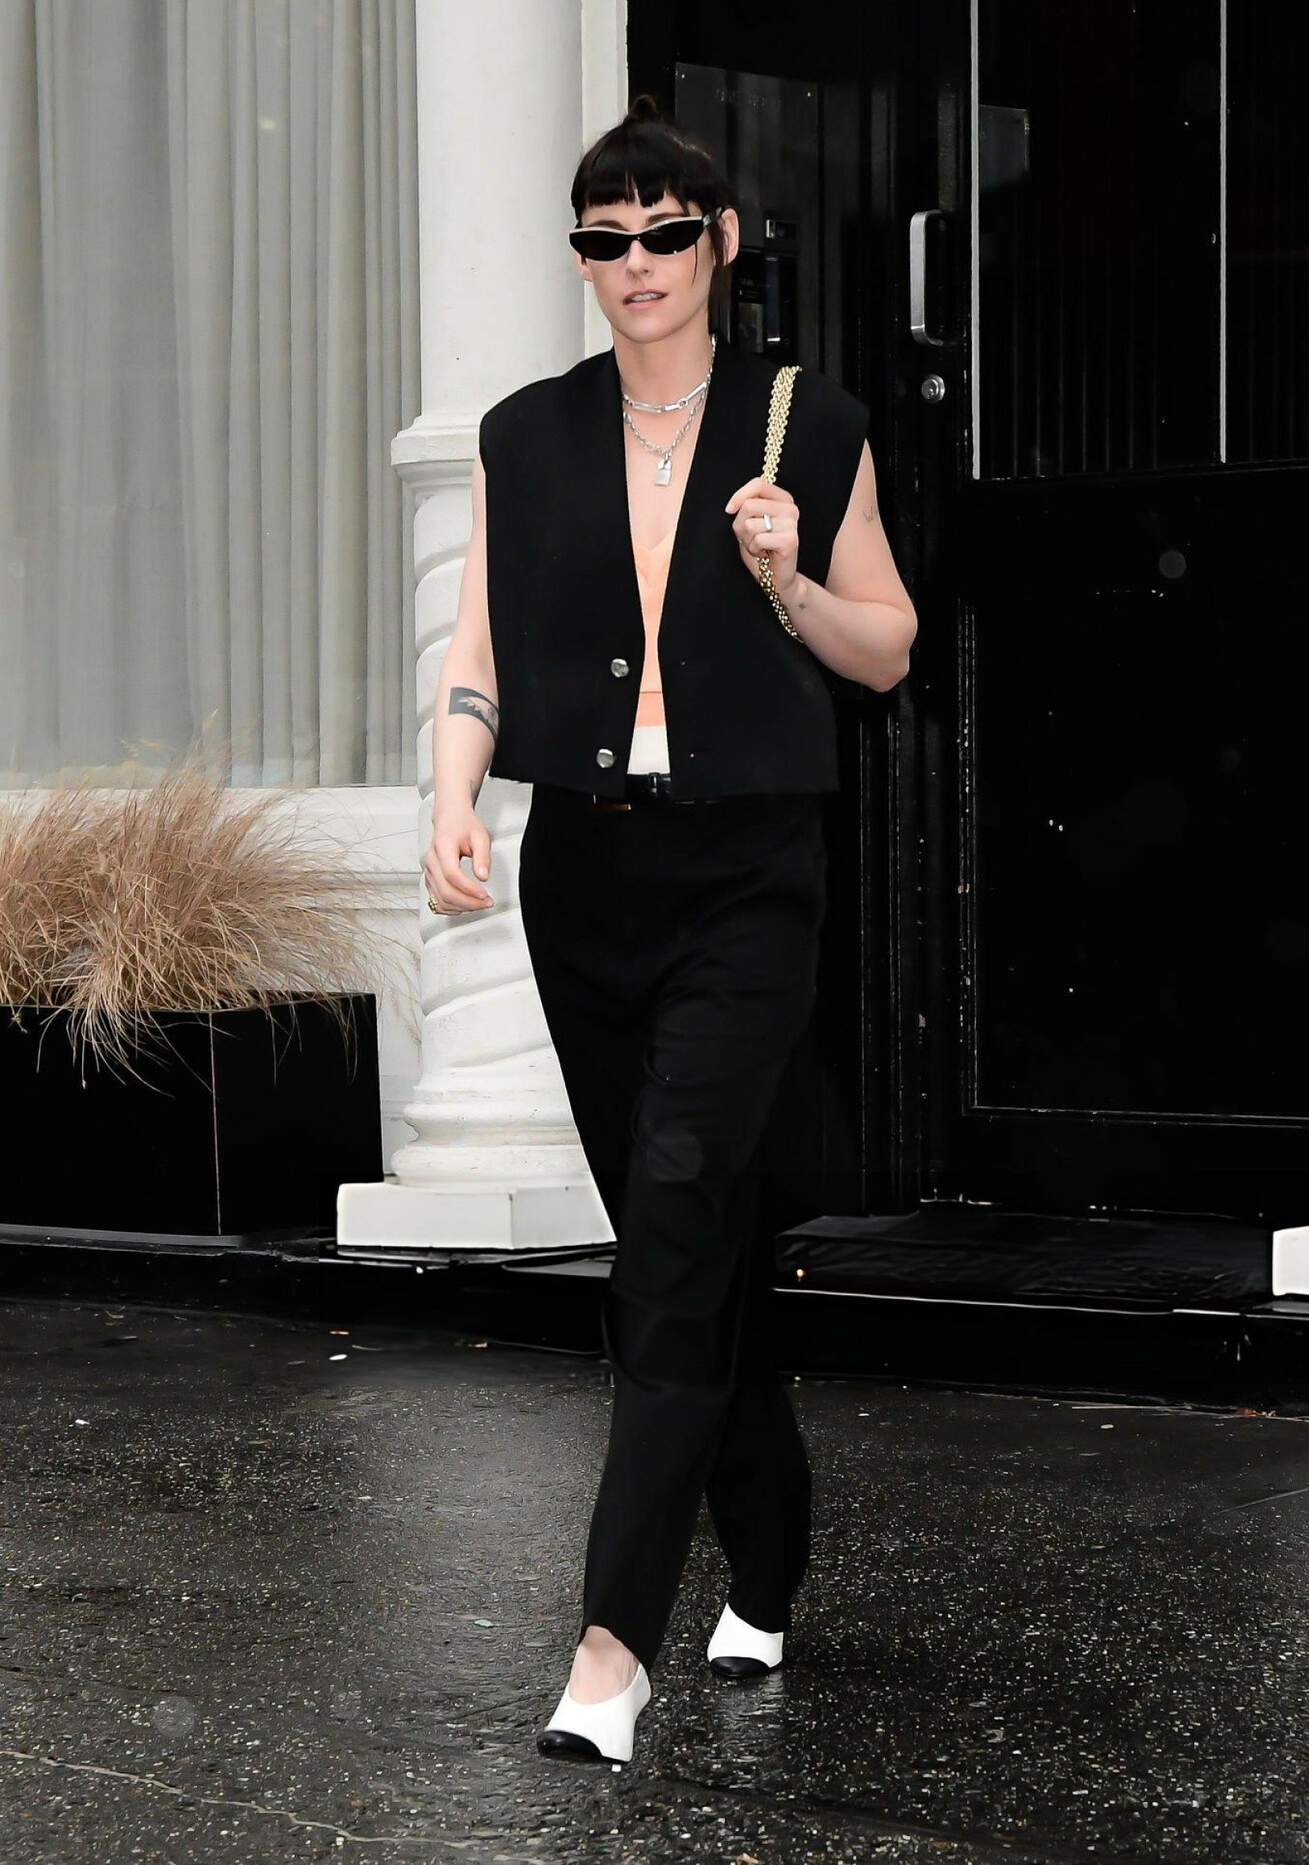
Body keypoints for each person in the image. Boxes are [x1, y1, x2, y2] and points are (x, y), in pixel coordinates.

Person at [422, 95, 916, 1765]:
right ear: (584, 259)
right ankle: (767, 1552)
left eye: (663, 233)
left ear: (720, 244)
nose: (635, 264)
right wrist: (453, 793)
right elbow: (479, 648)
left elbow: (887, 649)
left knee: (676, 1230)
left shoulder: (808, 424)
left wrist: (788, 578)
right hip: (587, 880)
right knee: (681, 1242)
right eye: (604, 238)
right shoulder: (526, 436)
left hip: (746, 878)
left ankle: (609, 1647)